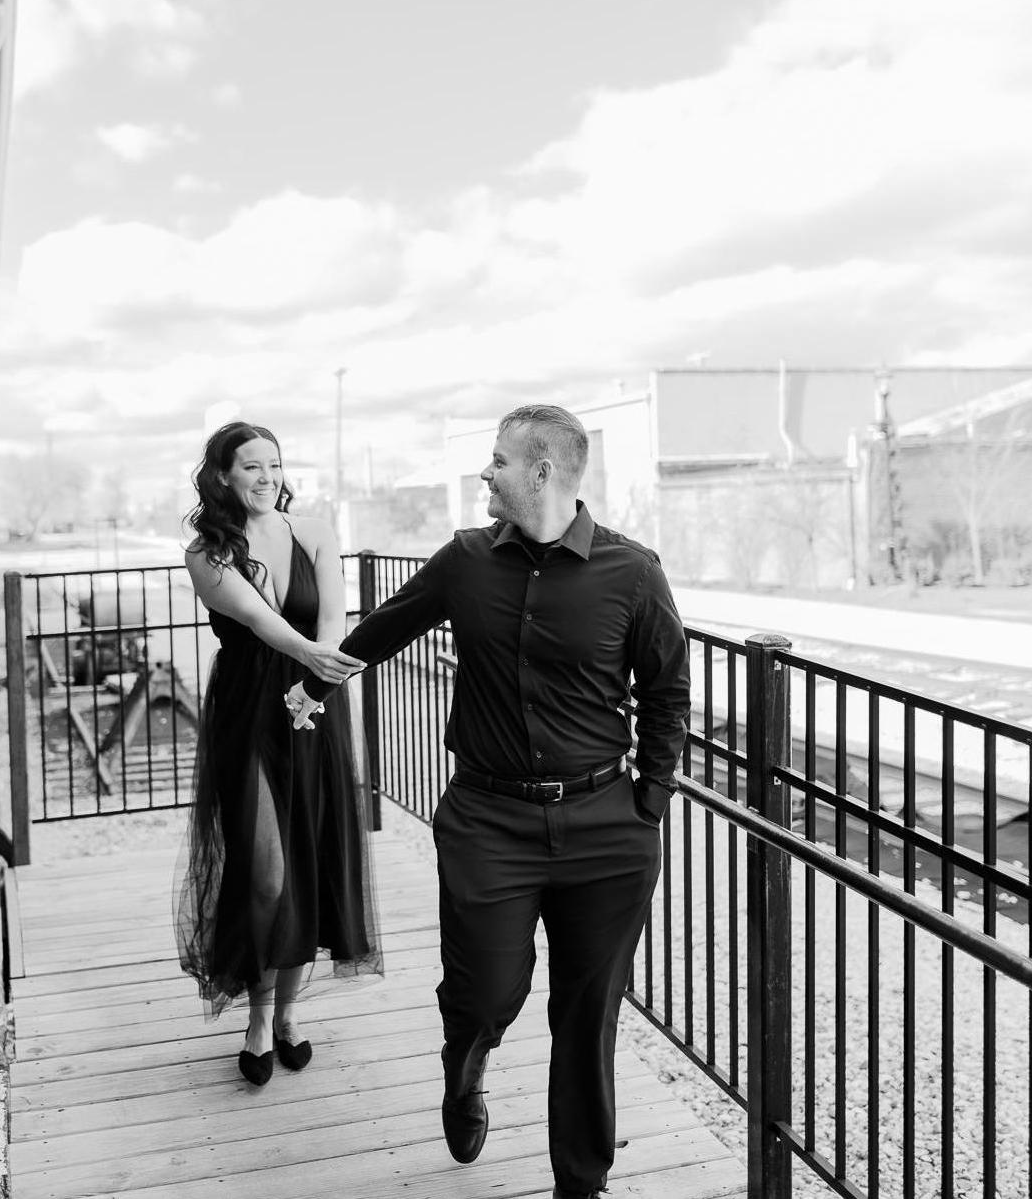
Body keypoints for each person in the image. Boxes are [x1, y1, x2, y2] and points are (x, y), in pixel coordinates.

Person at [287, 404, 690, 1199]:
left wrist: (649, 798)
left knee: (588, 1015)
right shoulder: (465, 561)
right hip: (488, 821)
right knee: (485, 991)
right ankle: (465, 1062)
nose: (485, 472)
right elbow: (385, 628)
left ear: (541, 471)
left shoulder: (633, 572)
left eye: (498, 460)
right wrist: (312, 685)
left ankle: (582, 1184)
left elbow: (667, 691)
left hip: (606, 830)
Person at [174, 420, 381, 1087]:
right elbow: (263, 623)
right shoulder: (206, 551)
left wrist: (318, 686)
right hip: (250, 708)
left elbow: (332, 618)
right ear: (223, 476)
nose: (266, 476)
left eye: (274, 464)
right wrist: (312, 665)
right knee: (266, 872)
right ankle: (257, 1017)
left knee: (313, 860)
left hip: (314, 705)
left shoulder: (314, 530)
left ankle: (288, 1016)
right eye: (250, 466)